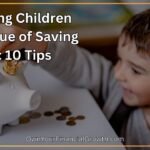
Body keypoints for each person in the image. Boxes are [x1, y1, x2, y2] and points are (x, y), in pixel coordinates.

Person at [0, 9, 150, 149]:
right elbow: (78, 64)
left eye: (136, 70)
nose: (118, 73)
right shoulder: (116, 85)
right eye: (119, 59)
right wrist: (34, 44)